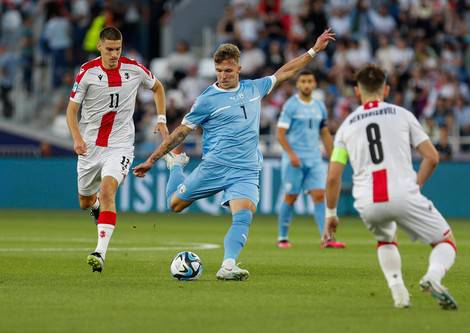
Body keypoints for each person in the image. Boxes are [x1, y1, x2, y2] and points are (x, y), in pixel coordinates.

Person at [133, 29, 336, 281]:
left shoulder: (254, 88)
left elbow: (286, 71)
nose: (223, 75)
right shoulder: (206, 99)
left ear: (238, 68)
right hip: (214, 166)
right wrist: (153, 159)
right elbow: (181, 133)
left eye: (228, 70)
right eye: (219, 70)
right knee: (175, 205)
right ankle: (176, 166)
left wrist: (314, 50)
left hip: (246, 169)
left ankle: (228, 265)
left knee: (243, 215)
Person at [323, 64, 458, 310]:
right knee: (445, 242)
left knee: (386, 239)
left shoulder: (346, 127)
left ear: (356, 91)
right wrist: (415, 185)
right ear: (385, 89)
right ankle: (433, 277)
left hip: (368, 202)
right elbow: (433, 157)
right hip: (403, 194)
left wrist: (330, 214)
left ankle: (399, 293)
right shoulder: (402, 114)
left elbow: (333, 178)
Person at [66, 27, 168, 273]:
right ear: (100, 47)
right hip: (90, 147)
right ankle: (95, 207)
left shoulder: (133, 68)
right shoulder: (87, 73)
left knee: (108, 190)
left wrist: (162, 118)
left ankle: (99, 252)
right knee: (85, 201)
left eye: (118, 49)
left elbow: (158, 87)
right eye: (109, 49)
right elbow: (71, 110)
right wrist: (77, 139)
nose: (114, 54)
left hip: (120, 145)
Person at [276, 70, 345, 249]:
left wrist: (333, 157)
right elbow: (280, 133)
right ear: (298, 85)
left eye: (310, 81)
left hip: (314, 158)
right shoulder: (291, 105)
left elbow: (324, 133)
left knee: (320, 196)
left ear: (314, 84)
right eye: (303, 81)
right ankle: (282, 237)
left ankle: (326, 238)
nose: (306, 84)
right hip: (294, 158)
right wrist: (291, 154)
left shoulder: (320, 106)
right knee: (291, 197)